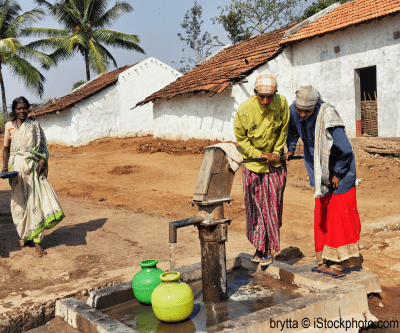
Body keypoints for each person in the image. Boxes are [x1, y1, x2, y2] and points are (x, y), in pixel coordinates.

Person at [285, 86, 360, 277]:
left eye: (306, 111)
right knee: (324, 216)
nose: (302, 114)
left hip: (339, 173)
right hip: (319, 170)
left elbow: (346, 149)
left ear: (316, 106)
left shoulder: (328, 115)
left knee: (339, 217)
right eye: (300, 110)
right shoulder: (294, 109)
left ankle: (340, 262)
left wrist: (337, 173)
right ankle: (326, 259)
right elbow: (292, 130)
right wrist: (291, 148)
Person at [233, 74, 289, 266]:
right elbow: (241, 139)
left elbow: (283, 130)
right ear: (255, 93)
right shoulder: (244, 111)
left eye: (270, 96)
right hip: (254, 166)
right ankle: (259, 249)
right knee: (256, 210)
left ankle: (268, 247)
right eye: (261, 96)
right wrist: (259, 153)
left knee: (273, 208)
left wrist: (275, 152)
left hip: (275, 166)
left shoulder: (281, 104)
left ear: (275, 94)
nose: (265, 100)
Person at [2, 97, 65, 256]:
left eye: (24, 108)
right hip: (17, 172)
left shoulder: (35, 126)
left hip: (34, 170)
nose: (22, 111)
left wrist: (43, 160)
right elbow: (6, 149)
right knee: (21, 205)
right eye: (18, 109)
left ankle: (38, 242)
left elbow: (44, 147)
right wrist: (4, 166)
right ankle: (27, 234)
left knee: (36, 203)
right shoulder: (9, 126)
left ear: (28, 109)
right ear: (14, 110)